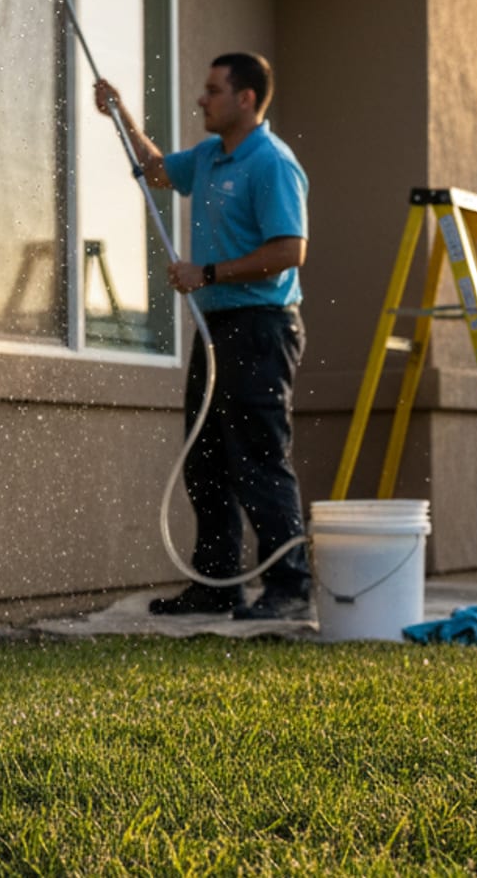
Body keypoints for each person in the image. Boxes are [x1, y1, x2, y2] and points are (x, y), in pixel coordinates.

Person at [94, 53, 312, 620]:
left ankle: (290, 587)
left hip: (262, 327)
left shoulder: (272, 163)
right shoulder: (211, 157)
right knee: (206, 457)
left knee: (258, 457)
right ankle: (217, 585)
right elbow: (156, 170)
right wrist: (120, 114)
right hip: (217, 328)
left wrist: (207, 274)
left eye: (213, 90)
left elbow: (290, 251)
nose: (201, 99)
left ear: (246, 98)